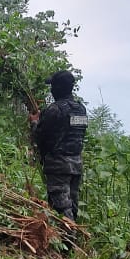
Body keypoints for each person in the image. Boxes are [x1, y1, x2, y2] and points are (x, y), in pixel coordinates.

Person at [31, 70, 88, 234]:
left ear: (57, 88)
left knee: (61, 206)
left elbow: (40, 136)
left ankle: (68, 244)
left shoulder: (54, 110)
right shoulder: (80, 109)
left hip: (59, 166)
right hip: (76, 164)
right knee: (72, 204)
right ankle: (70, 244)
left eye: (52, 86)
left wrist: (34, 122)